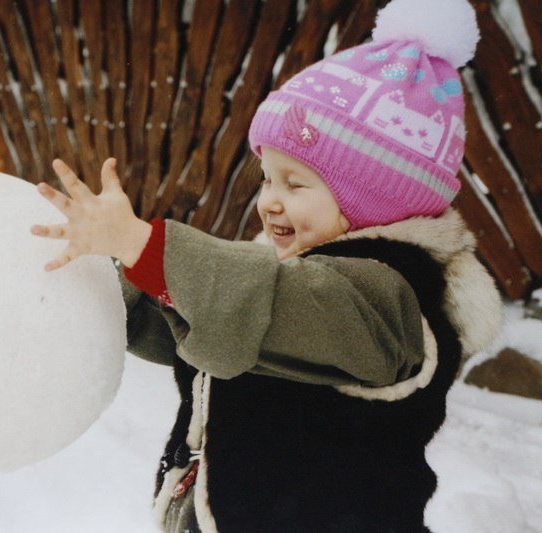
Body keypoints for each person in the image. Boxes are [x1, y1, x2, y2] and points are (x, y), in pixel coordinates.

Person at [30, 0, 503, 530]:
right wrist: (109, 291)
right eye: (268, 178)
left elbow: (278, 305)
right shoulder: (274, 276)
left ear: (376, 201)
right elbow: (199, 332)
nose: (270, 201)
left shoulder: (387, 296)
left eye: (296, 184)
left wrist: (145, 244)